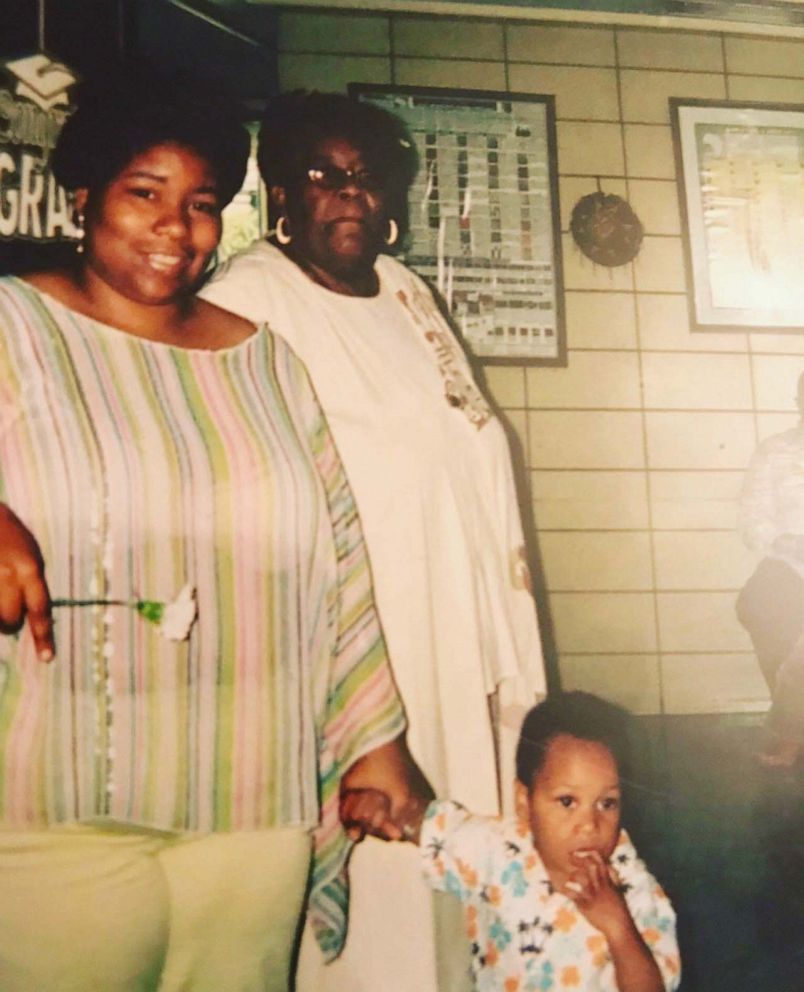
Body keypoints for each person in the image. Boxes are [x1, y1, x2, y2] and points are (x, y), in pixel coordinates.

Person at [0, 73, 430, 992]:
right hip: (54, 792)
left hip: (253, 789)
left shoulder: (263, 359)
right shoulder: (14, 326)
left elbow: (338, 551)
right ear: (83, 199)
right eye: (143, 193)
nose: (174, 228)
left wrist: (373, 739)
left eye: (200, 205)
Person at [200, 89, 547, 991]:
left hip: (450, 630)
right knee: (379, 891)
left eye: (366, 177)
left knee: (457, 866)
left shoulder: (406, 292)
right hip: (358, 651)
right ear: (279, 189)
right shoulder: (247, 302)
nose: (348, 195)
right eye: (321, 175)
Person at [342, 691, 681, 992]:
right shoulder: (496, 851)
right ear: (524, 802)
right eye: (567, 802)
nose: (589, 826)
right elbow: (427, 825)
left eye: (606, 803)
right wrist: (378, 806)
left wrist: (618, 926)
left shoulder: (632, 888)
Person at [737, 371, 804, 768]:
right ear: (799, 400)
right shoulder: (774, 451)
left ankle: (790, 731)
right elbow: (752, 518)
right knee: (758, 602)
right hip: (792, 563)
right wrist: (784, 542)